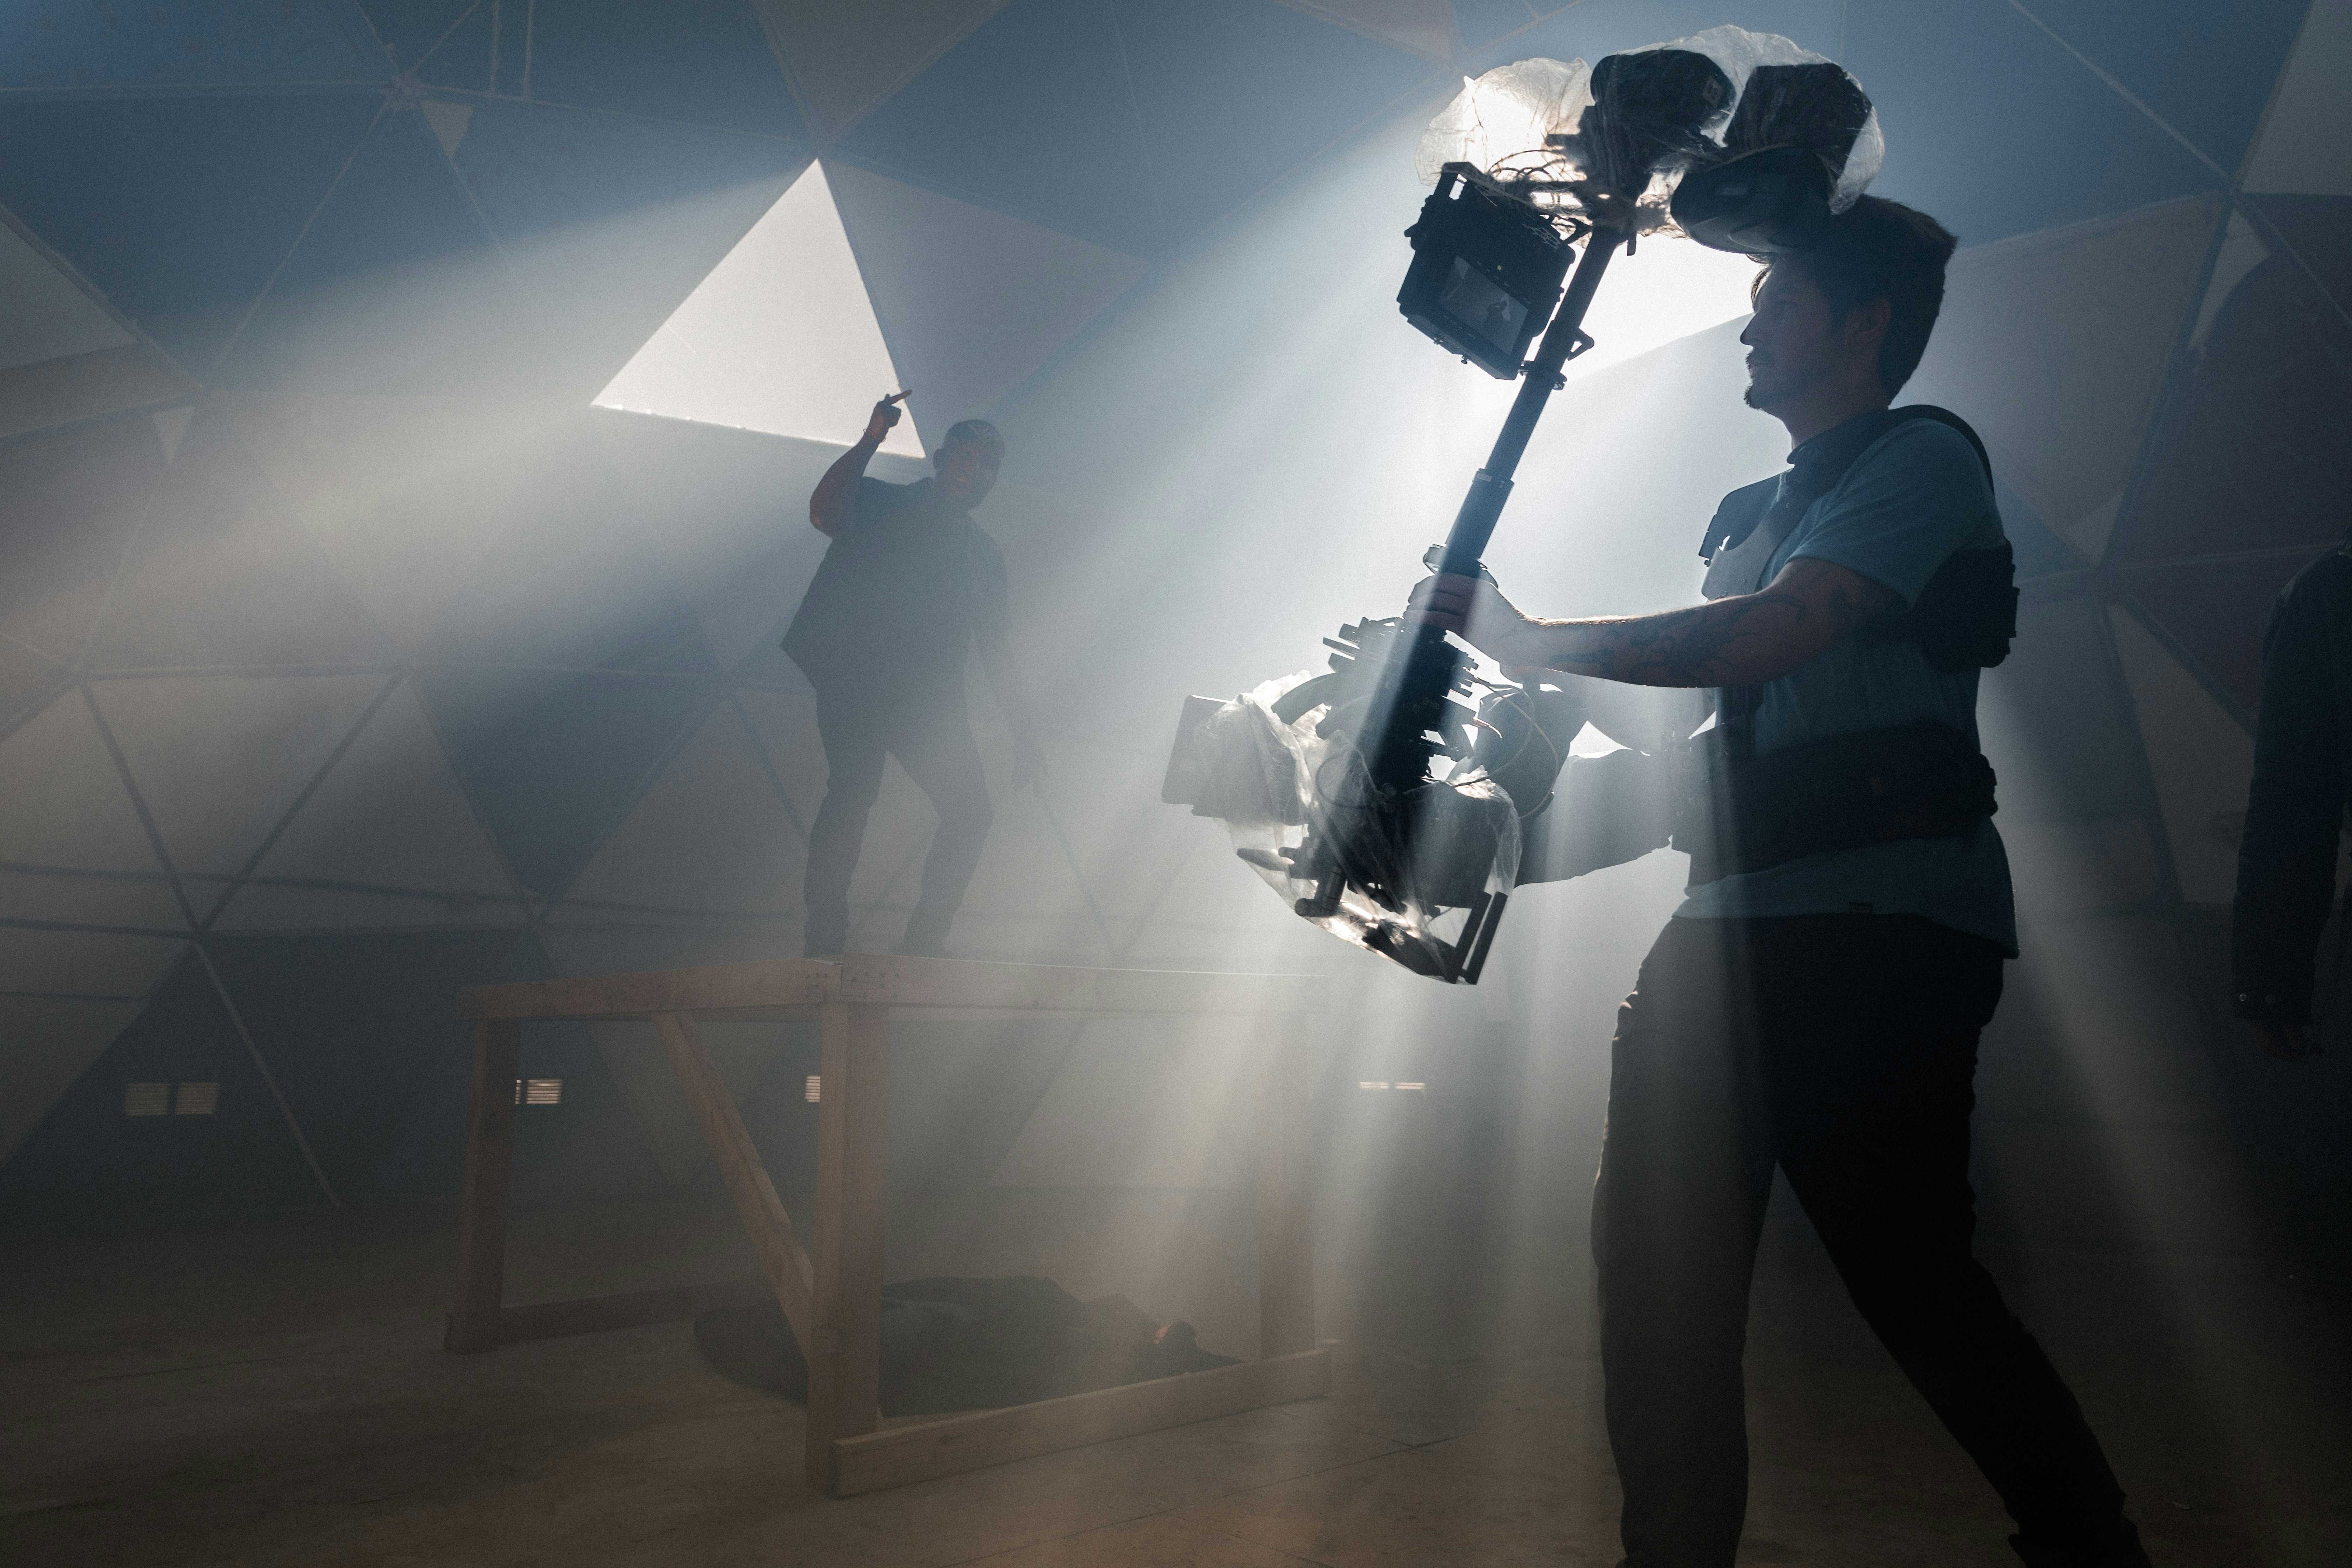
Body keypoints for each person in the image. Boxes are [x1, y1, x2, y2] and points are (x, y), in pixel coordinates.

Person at [1410, 198, 2149, 1568]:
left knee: (1912, 1279)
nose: (1749, 323)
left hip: (1878, 931)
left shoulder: (1924, 461)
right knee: (1656, 1293)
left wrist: (1528, 633)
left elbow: (1773, 638)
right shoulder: (1750, 513)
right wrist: (1468, 831)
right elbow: (1704, 759)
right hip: (1722, 942)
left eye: (1781, 305)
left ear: (1865, 327)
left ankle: (2089, 1544)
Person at [783, 394, 1038, 959]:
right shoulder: (884, 505)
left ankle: (924, 947)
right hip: (857, 683)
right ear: (943, 460)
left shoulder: (982, 555)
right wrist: (871, 438)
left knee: (971, 811)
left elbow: (997, 647)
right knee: (853, 791)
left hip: (925, 704)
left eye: (989, 467)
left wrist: (1025, 732)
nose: (976, 474)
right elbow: (824, 512)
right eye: (967, 459)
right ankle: (824, 937)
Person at [2232, 534, 2352, 1060]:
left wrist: (2269, 979)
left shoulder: (2328, 589)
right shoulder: (2330, 590)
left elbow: (2292, 796)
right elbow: (2292, 798)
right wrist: (2269, 976)